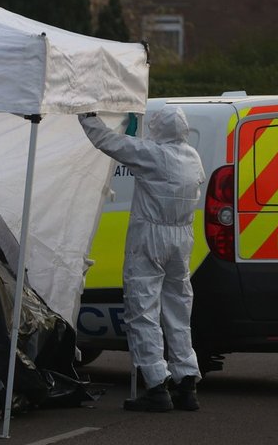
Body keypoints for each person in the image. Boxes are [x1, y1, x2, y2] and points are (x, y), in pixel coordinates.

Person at [80, 107, 205, 412]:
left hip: (151, 236)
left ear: (158, 128)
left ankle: (156, 386)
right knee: (178, 311)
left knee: (143, 310)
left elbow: (109, 141)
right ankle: (186, 382)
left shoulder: (153, 155)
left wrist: (87, 116)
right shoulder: (193, 158)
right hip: (181, 238)